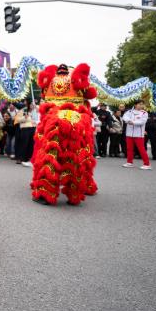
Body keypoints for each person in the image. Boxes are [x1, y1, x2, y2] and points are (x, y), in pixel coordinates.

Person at [30, 63, 98, 205]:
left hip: (53, 118)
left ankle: (45, 191)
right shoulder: (75, 81)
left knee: (49, 154)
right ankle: (76, 192)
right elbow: (88, 97)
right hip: (77, 118)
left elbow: (45, 101)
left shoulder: (51, 82)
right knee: (79, 154)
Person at [122, 100, 151, 170]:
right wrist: (128, 121)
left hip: (138, 134)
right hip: (129, 133)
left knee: (141, 149)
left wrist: (133, 122)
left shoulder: (144, 113)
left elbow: (142, 121)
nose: (141, 106)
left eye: (142, 104)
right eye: (140, 104)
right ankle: (129, 162)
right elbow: (124, 117)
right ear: (135, 105)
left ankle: (147, 164)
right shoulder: (129, 112)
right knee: (129, 149)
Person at [15, 99, 36, 166]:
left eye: (33, 104)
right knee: (24, 144)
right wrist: (25, 118)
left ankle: (27, 158)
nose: (32, 105)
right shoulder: (24, 110)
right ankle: (21, 158)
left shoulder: (34, 111)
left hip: (32, 128)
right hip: (25, 129)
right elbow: (18, 119)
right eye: (31, 104)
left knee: (30, 144)